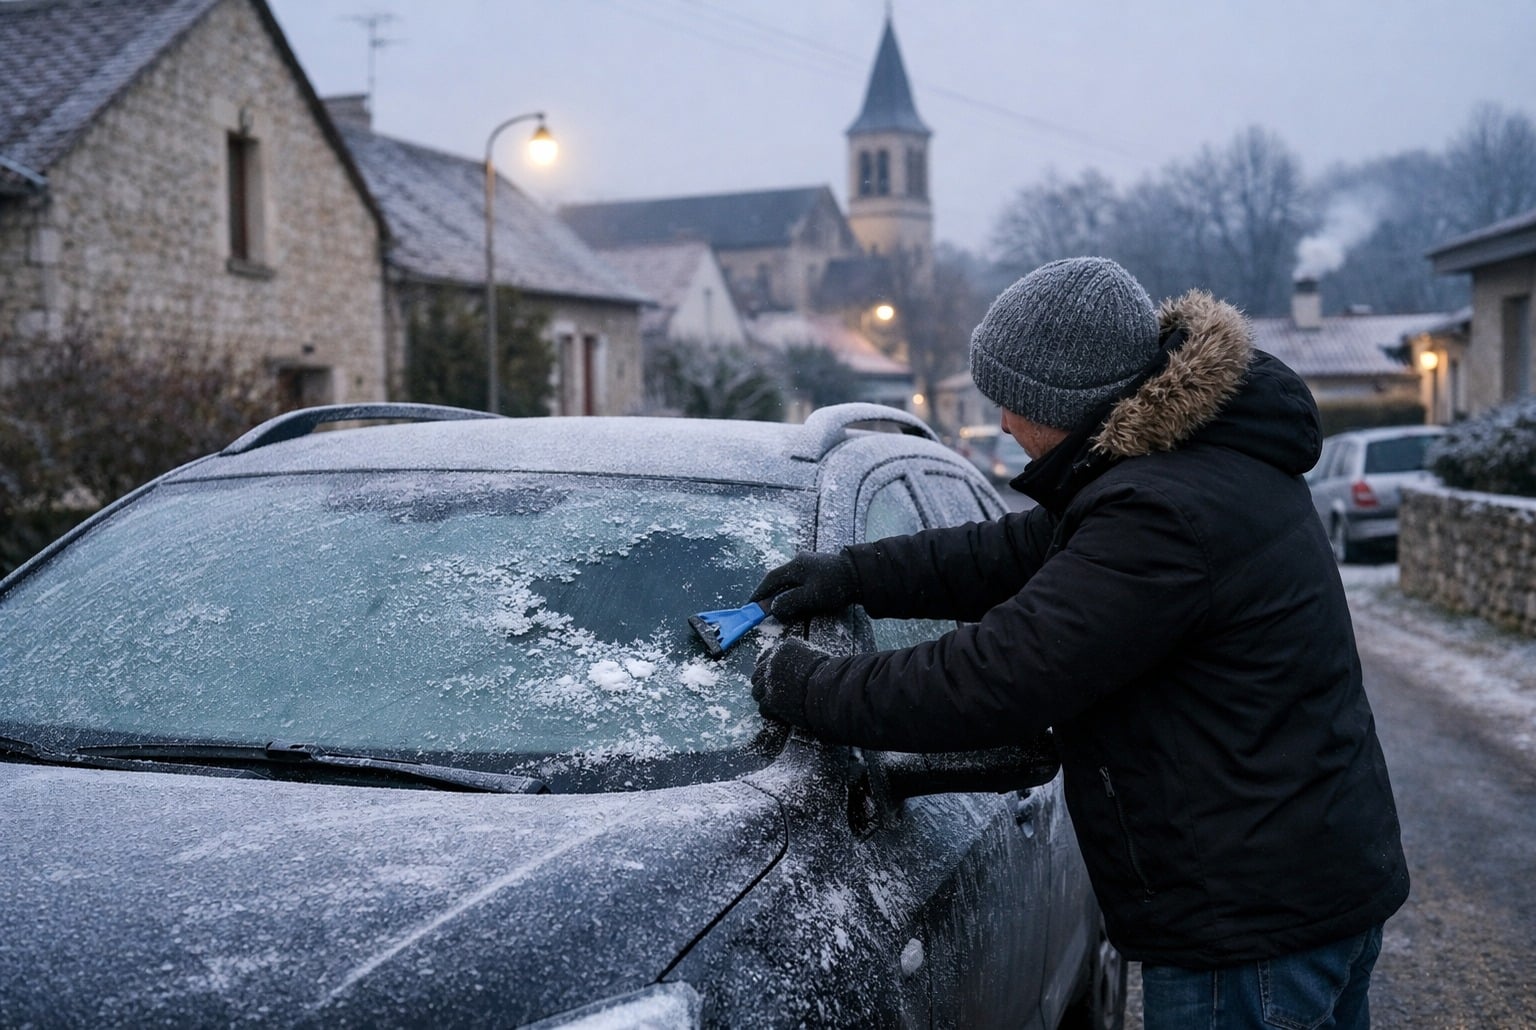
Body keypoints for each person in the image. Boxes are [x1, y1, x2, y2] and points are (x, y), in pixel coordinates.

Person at [749, 257, 1408, 1030]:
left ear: (1064, 403)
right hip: (1299, 889)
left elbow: (999, 676)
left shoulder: (1161, 511)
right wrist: (852, 572)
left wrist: (804, 685)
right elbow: (1007, 553)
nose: (1000, 423)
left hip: (1248, 931)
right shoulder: (1183, 468)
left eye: (1011, 402)